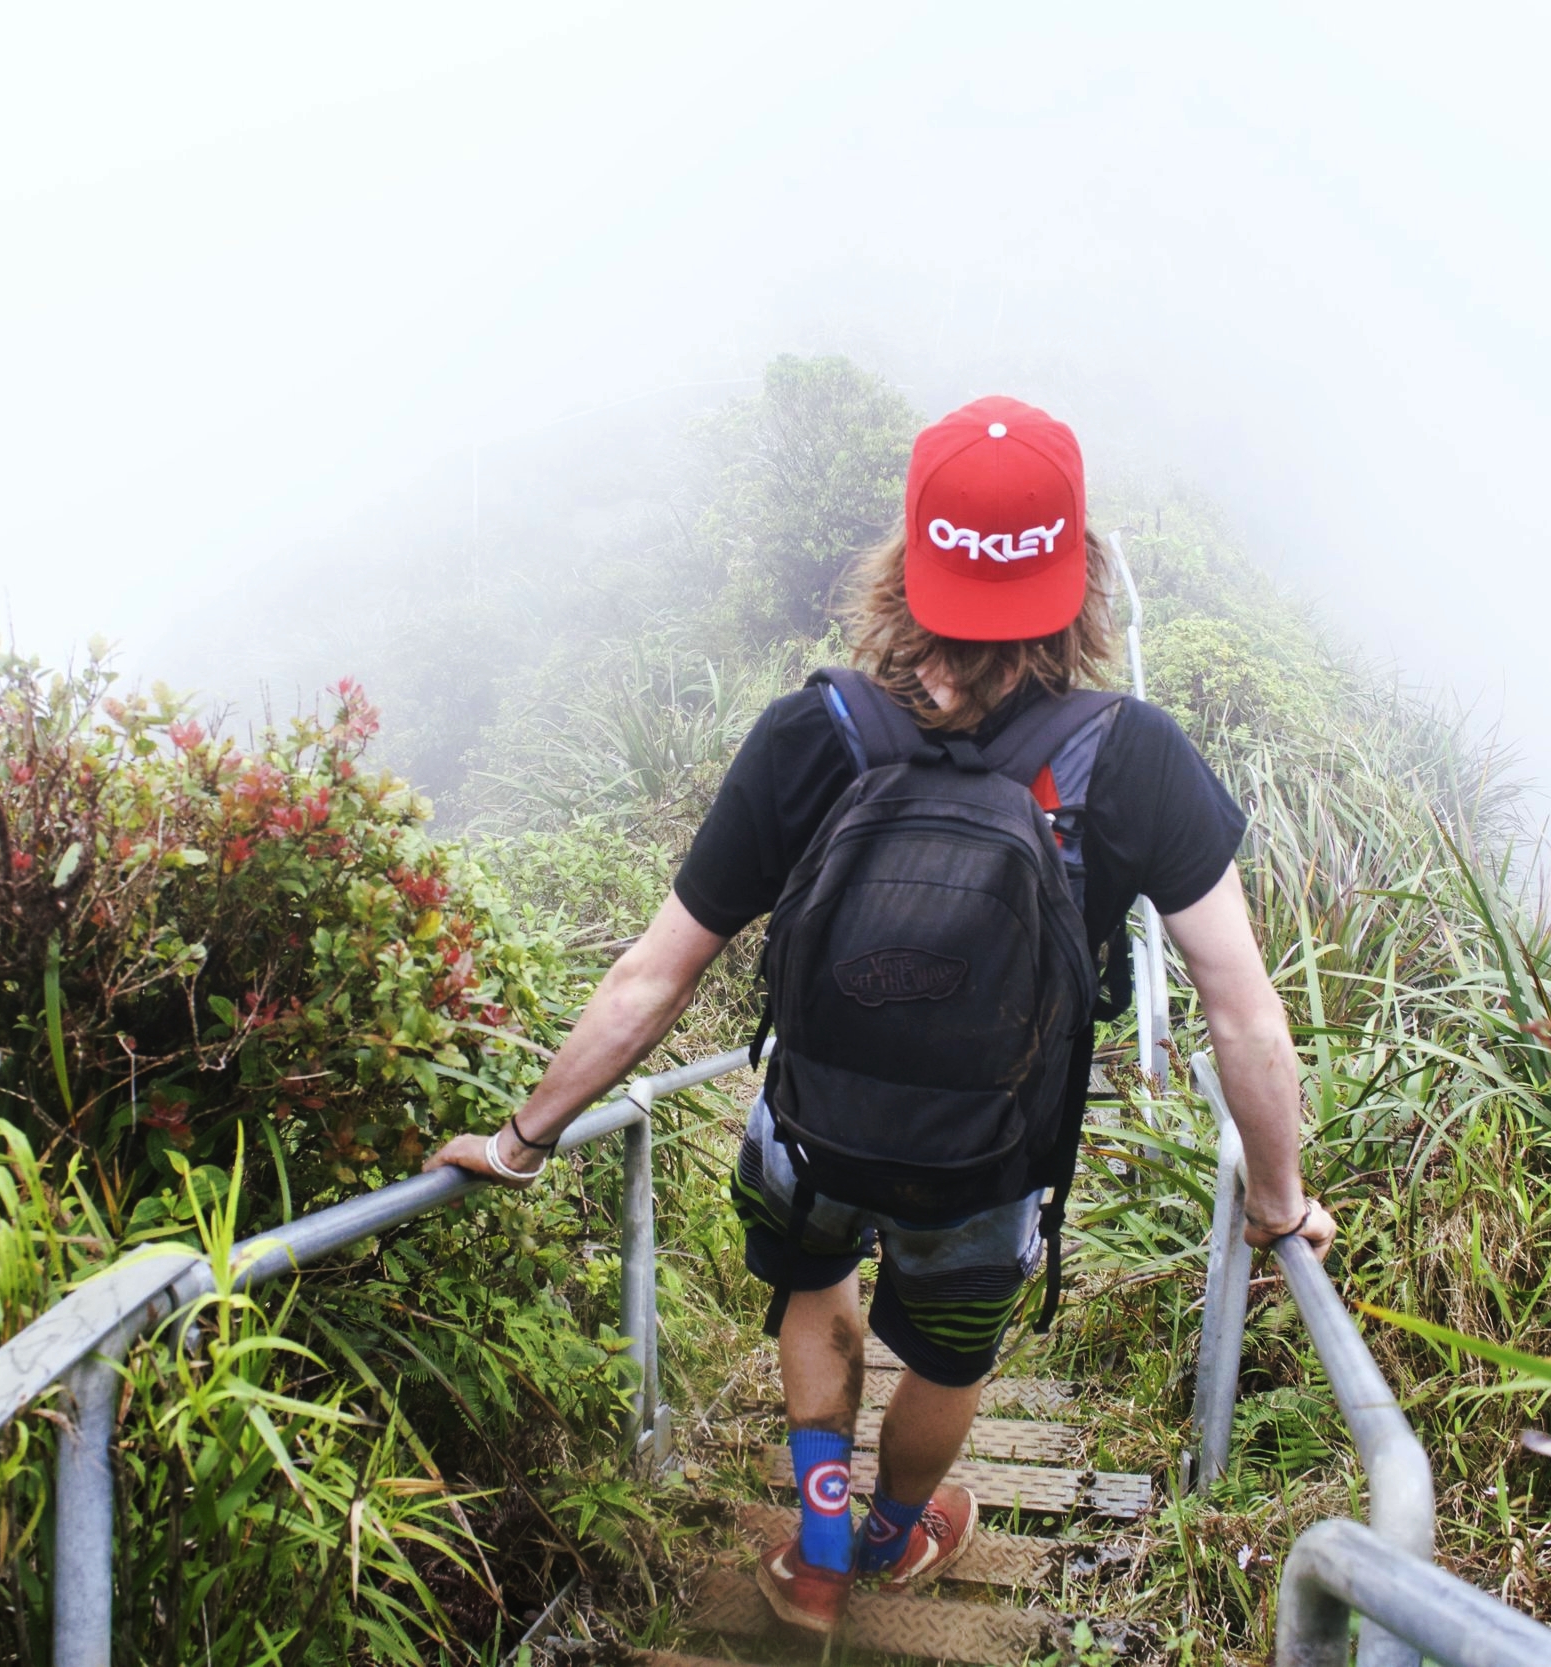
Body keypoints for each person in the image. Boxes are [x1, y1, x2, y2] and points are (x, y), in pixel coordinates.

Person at [427, 394, 1334, 1635]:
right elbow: (1240, 1010)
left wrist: (523, 1139)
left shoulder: (817, 731)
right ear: (1076, 585)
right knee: (950, 1356)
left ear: (908, 568)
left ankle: (812, 1554)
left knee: (814, 1291)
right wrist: (1277, 1198)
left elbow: (658, 973)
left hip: (806, 1135)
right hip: (991, 1161)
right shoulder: (1132, 753)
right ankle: (895, 1532)